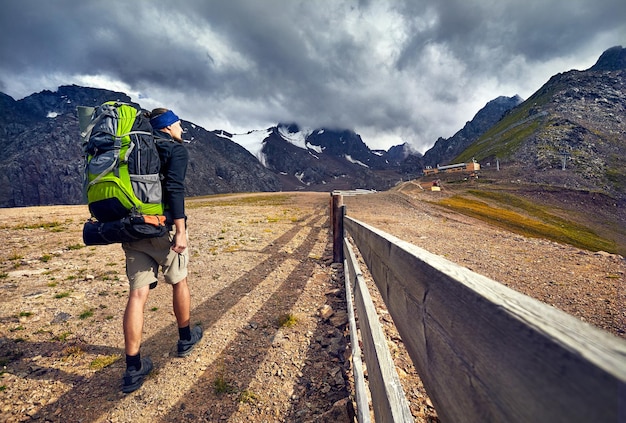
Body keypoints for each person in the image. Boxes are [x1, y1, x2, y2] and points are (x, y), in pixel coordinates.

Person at [120, 108, 203, 394]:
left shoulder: (133, 147)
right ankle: (185, 338)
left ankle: (133, 368)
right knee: (179, 280)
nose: (181, 127)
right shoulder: (174, 150)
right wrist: (180, 231)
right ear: (167, 127)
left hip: (133, 229)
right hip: (164, 229)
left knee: (137, 294)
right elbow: (175, 189)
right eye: (178, 123)